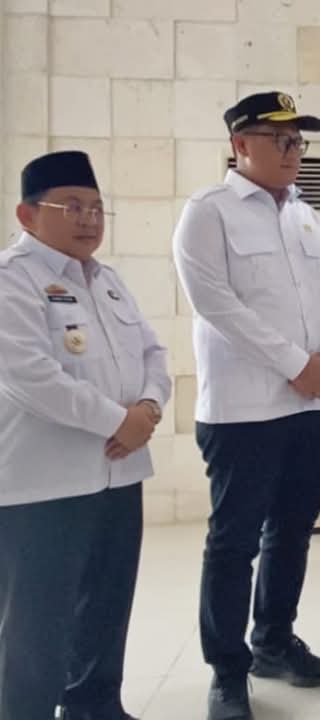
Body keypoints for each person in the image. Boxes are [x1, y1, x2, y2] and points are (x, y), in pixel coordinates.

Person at [173, 92, 320, 720]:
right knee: (233, 542)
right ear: (240, 144)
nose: (292, 151)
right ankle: (227, 670)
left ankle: (273, 639)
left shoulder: (305, 214)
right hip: (243, 411)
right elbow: (215, 304)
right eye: (280, 139)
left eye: (298, 140)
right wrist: (294, 363)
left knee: (292, 532)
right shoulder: (208, 212)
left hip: (310, 407)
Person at [0, 150, 171, 720]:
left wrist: (149, 406)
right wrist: (119, 421)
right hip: (45, 485)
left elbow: (153, 353)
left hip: (119, 474)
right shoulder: (13, 279)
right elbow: (29, 377)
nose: (89, 219)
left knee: (107, 605)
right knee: (36, 623)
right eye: (71, 206)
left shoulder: (108, 281)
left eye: (97, 208)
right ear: (27, 215)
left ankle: (96, 707)